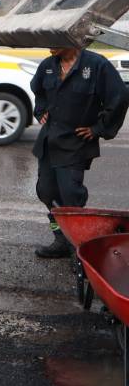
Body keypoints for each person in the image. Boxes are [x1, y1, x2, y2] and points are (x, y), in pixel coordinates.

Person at [31, 46, 128, 258]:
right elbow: (37, 90)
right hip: (49, 142)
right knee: (46, 192)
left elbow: (119, 97)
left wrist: (98, 128)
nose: (50, 45)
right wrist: (40, 110)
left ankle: (77, 246)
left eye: (56, 40)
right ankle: (60, 239)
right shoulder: (47, 66)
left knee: (71, 195)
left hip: (76, 143)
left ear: (71, 40)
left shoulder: (97, 65)